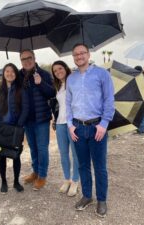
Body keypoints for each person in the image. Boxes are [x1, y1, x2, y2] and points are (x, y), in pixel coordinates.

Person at [66, 43, 115, 217]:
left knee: (100, 166)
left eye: (82, 53)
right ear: (73, 57)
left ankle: (102, 199)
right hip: (78, 128)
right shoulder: (70, 78)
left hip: (97, 128)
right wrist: (70, 125)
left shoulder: (102, 74)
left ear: (88, 54)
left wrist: (104, 124)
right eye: (75, 54)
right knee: (83, 165)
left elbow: (109, 101)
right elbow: (68, 103)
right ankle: (87, 196)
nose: (79, 56)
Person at [19, 49, 56, 190]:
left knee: (42, 148)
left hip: (41, 119)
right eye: (24, 59)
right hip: (27, 120)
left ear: (34, 58)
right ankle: (35, 171)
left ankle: (42, 175)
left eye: (29, 57)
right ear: (21, 61)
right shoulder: (19, 76)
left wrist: (40, 83)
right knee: (33, 148)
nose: (27, 60)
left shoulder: (44, 74)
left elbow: (52, 93)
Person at [0, 63, 29, 194]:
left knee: (16, 156)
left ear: (16, 74)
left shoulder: (21, 89)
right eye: (7, 71)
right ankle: (3, 182)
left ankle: (16, 182)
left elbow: (25, 109)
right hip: (1, 129)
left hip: (15, 129)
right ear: (4, 74)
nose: (10, 74)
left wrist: (19, 124)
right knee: (2, 156)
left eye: (12, 71)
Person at [50, 60, 79, 197]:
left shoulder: (74, 81)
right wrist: (55, 119)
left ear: (65, 68)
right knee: (63, 154)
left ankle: (75, 181)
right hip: (60, 123)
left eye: (60, 68)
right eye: (55, 71)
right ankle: (67, 179)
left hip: (73, 123)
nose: (58, 72)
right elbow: (58, 106)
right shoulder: (58, 85)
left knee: (75, 154)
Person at [134, 65, 144, 134]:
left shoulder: (141, 78)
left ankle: (141, 129)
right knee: (140, 114)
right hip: (142, 98)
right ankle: (140, 128)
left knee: (141, 114)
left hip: (141, 98)